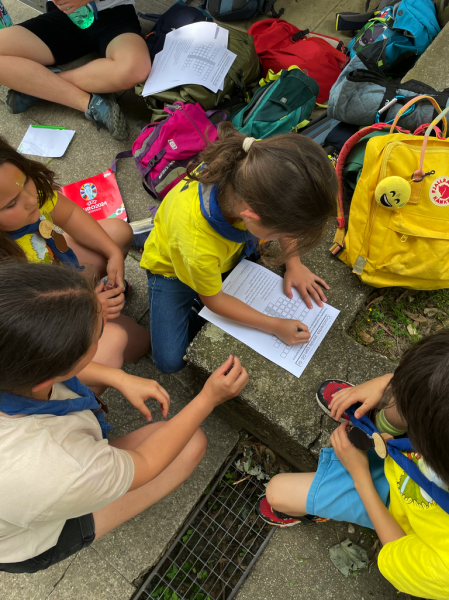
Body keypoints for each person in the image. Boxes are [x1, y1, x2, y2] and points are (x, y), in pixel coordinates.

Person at [0, 260, 249, 572]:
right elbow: (145, 464)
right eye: (97, 332)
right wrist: (209, 398)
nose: (102, 324)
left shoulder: (11, 365)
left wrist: (119, 378)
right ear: (45, 378)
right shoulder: (60, 466)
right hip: (33, 536)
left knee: (117, 342)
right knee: (191, 443)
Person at [258, 332, 449, 599]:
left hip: (397, 508)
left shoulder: (444, 570)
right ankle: (384, 417)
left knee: (276, 492)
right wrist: (388, 385)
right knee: (410, 403)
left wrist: (360, 475)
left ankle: (317, 510)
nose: (392, 395)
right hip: (411, 469)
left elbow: (396, 546)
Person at [140, 125, 339, 373]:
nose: (286, 238)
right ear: (251, 216)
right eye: (282, 233)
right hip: (171, 270)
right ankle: (149, 238)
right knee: (169, 361)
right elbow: (214, 300)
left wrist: (294, 263)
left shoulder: (257, 165)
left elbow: (289, 211)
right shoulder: (197, 246)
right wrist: (274, 325)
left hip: (220, 252)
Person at [0, 135, 150, 388]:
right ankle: (80, 398)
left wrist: (113, 253)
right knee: (136, 342)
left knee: (117, 232)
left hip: (58, 278)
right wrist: (92, 308)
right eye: (12, 203)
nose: (29, 199)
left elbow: (69, 214)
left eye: (25, 181)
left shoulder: (30, 195)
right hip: (44, 331)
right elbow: (31, 327)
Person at [0, 0, 152, 140]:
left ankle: (40, 85)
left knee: (135, 69)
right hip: (63, 15)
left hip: (113, 14)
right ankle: (88, 102)